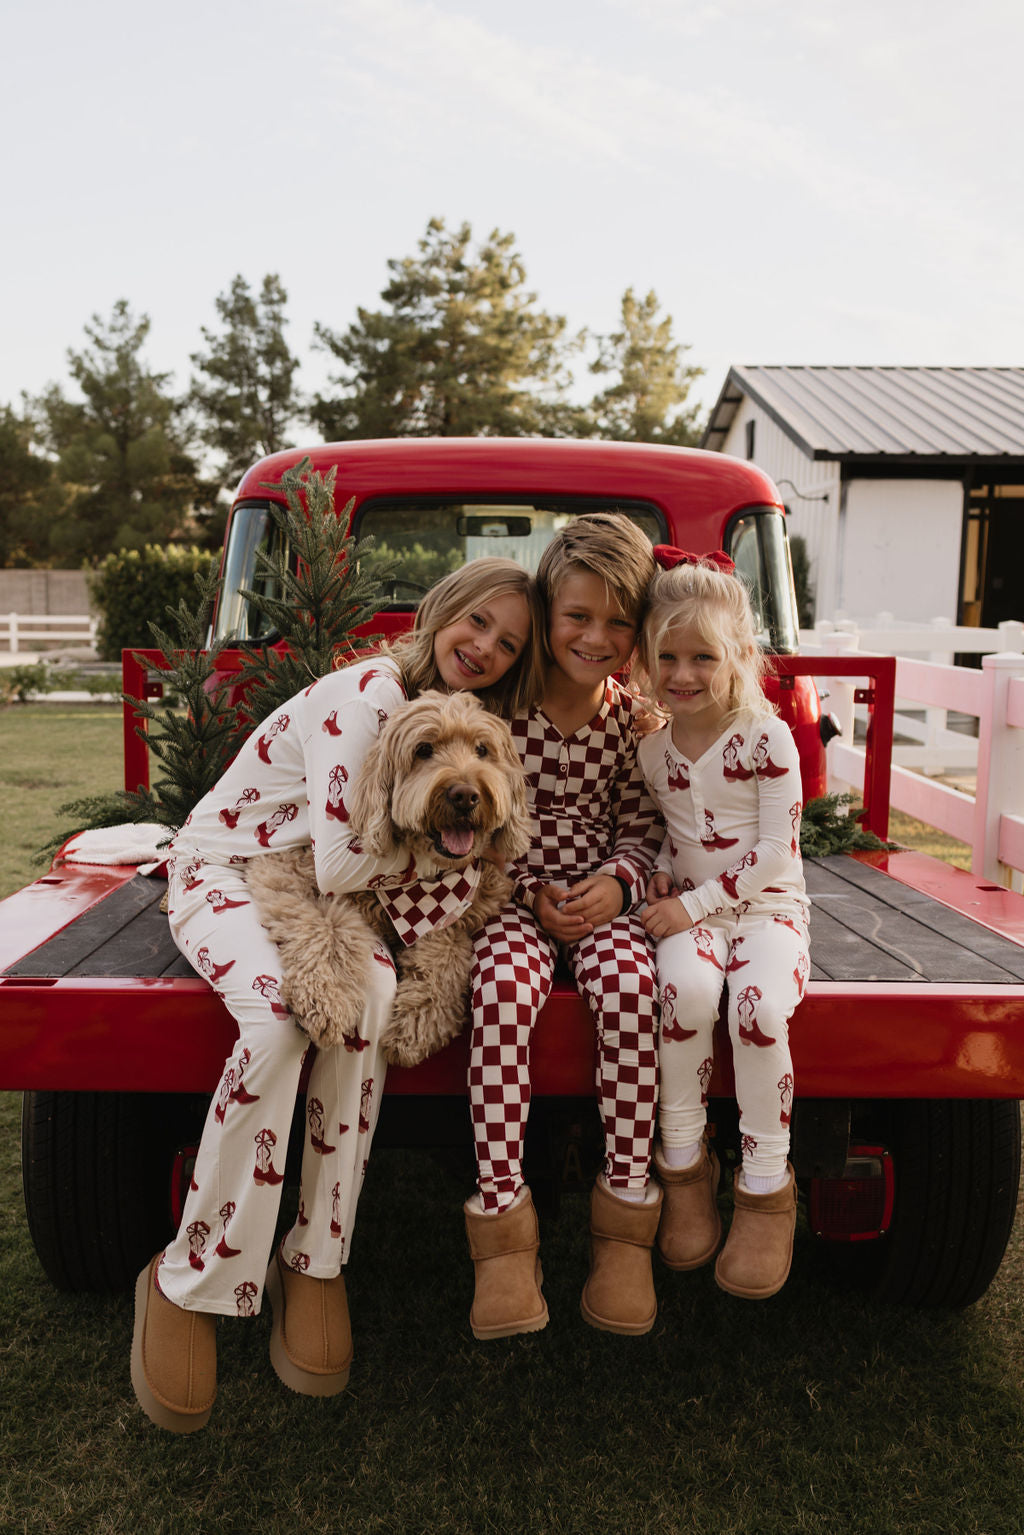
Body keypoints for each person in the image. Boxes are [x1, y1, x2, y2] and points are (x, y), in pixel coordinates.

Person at [131, 557, 546, 1433]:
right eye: (475, 623)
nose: (485, 647)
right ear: (440, 614)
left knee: (371, 1001)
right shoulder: (367, 697)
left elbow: (423, 872)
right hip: (236, 868)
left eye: (507, 642)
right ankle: (188, 1273)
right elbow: (340, 860)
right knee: (281, 1020)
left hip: (339, 895)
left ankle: (317, 1256)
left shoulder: (444, 717)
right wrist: (450, 848)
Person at [463, 513, 665, 1339]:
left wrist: (619, 888)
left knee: (629, 985)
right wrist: (522, 891)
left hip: (600, 899)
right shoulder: (496, 710)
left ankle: (623, 1226)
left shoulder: (631, 721)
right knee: (503, 990)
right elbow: (464, 822)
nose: (598, 636)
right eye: (579, 616)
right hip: (510, 901)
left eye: (620, 621)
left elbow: (644, 825)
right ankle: (505, 1232)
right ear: (547, 612)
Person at [636, 547, 809, 1300]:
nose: (682, 673)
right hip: (696, 917)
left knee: (757, 1009)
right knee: (681, 999)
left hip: (768, 912)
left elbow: (775, 850)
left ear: (737, 653)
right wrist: (663, 873)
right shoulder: (653, 748)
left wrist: (690, 904)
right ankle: (684, 1168)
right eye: (667, 656)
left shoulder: (767, 738)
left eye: (701, 655)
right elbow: (669, 831)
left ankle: (767, 1182)